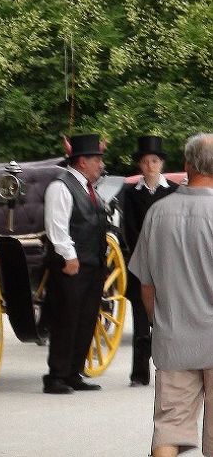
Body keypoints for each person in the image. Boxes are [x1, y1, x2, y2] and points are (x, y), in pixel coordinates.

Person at [129, 133, 213, 457]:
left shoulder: (157, 213)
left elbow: (146, 285)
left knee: (169, 426)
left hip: (175, 337)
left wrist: (158, 322)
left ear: (187, 165)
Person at [42, 134, 107, 394]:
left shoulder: (90, 188)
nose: (101, 165)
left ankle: (73, 373)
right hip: (73, 264)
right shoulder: (60, 186)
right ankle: (56, 376)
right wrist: (69, 256)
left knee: (86, 318)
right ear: (82, 162)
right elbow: (57, 226)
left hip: (93, 263)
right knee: (66, 319)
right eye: (97, 160)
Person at [122, 136, 178, 387]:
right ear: (140, 166)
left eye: (154, 161)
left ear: (161, 163)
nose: (150, 166)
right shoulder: (131, 194)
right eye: (145, 162)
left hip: (168, 264)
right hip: (141, 261)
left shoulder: (174, 192)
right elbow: (130, 228)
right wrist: (144, 252)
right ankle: (139, 373)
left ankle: (171, 371)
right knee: (141, 321)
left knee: (170, 321)